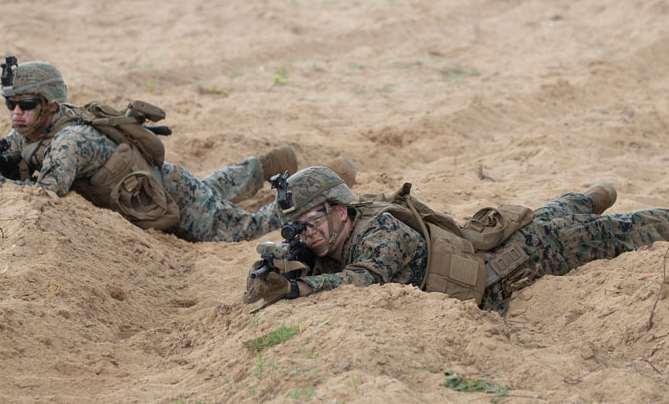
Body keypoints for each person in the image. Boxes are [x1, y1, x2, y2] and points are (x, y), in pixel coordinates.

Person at [0, 57, 356, 242]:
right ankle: (259, 168)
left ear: (50, 106)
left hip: (163, 193)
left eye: (25, 105)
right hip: (160, 180)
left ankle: (315, 185)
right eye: (11, 105)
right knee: (208, 189)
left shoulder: (67, 140)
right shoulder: (35, 129)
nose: (16, 114)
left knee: (241, 229)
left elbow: (46, 194)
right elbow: (5, 152)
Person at [243, 166, 669, 314]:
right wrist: (270, 271)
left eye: (310, 220)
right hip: (475, 240)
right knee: (548, 214)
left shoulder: (381, 234)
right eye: (295, 226)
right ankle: (583, 199)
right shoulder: (328, 235)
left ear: (339, 210)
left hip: (518, 260)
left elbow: (364, 282)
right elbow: (271, 265)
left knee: (619, 233)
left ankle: (588, 206)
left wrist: (299, 287)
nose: (304, 233)